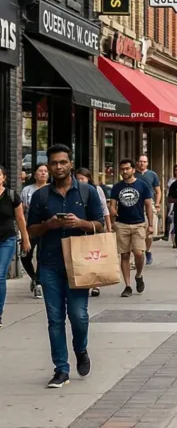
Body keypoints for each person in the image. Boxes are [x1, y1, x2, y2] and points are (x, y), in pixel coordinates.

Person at [26, 144, 108, 388]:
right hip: (50, 263)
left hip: (79, 263)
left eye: (63, 162)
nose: (58, 167)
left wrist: (80, 223)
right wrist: (48, 225)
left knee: (79, 316)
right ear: (48, 167)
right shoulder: (40, 196)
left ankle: (81, 349)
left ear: (70, 164)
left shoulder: (87, 192)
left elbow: (101, 225)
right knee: (54, 319)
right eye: (54, 163)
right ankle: (61, 369)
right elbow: (31, 230)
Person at [109, 159, 154, 298]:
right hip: (122, 224)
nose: (125, 171)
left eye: (127, 168)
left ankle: (139, 275)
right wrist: (112, 213)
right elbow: (112, 205)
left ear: (133, 170)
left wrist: (151, 224)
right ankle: (127, 286)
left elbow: (148, 205)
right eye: (122, 169)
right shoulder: (116, 187)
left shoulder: (142, 185)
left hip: (138, 223)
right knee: (125, 255)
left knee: (139, 253)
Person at [0, 164, 31, 327]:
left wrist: (25, 239)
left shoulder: (12, 196)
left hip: (7, 240)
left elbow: (20, 219)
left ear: (3, 178)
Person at [75, 168, 109, 298]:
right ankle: (85, 281)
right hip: (79, 229)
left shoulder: (95, 190)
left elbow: (104, 208)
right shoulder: (74, 191)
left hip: (94, 226)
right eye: (78, 178)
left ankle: (96, 284)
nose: (80, 181)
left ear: (88, 178)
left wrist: (108, 226)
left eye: (82, 178)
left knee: (95, 256)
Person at [21, 163, 49, 299]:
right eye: (40, 171)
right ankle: (33, 277)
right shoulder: (27, 190)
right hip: (30, 228)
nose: (43, 173)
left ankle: (38, 284)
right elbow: (19, 209)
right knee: (25, 255)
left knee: (41, 256)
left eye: (45, 171)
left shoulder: (51, 189)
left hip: (46, 228)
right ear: (35, 174)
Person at [134, 156, 161, 265]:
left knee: (149, 232)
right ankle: (139, 253)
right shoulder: (133, 174)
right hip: (136, 205)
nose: (142, 163)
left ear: (147, 163)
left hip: (150, 204)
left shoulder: (152, 174)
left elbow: (158, 191)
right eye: (140, 161)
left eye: (144, 162)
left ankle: (148, 250)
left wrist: (158, 204)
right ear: (137, 163)